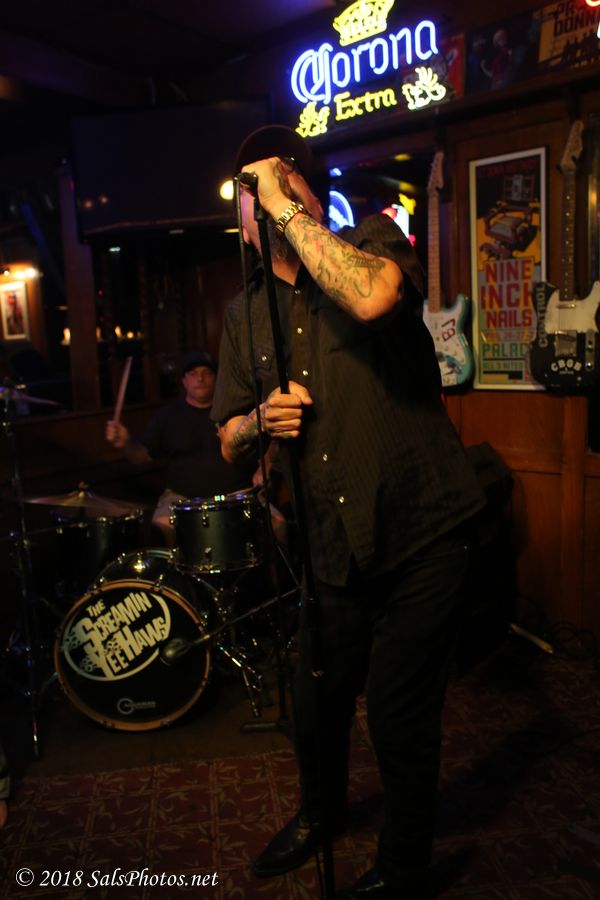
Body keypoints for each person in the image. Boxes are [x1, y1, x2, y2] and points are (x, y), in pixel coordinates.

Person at [210, 125, 486, 899]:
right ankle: (319, 814)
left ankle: (404, 869)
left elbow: (372, 298)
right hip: (331, 546)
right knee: (315, 704)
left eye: (276, 175)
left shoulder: (372, 244)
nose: (261, 195)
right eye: (249, 188)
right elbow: (226, 438)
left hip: (422, 530)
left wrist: (286, 206)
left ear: (305, 187)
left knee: (397, 715)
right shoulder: (245, 314)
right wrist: (258, 421)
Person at [105, 350, 255, 545]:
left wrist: (265, 468)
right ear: (184, 381)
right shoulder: (167, 416)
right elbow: (140, 457)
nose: (200, 378)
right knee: (161, 529)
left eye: (206, 373)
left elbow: (265, 443)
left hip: (236, 495)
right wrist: (125, 443)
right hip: (181, 498)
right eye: (193, 373)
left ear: (216, 379)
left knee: (277, 524)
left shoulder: (234, 411)